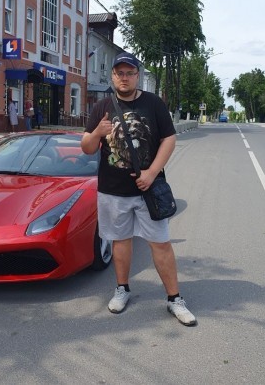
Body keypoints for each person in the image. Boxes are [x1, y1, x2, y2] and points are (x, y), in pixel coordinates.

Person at [81, 52, 196, 326]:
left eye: (129, 73)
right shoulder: (102, 106)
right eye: (119, 73)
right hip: (112, 190)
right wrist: (97, 132)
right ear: (113, 76)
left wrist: (151, 173)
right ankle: (122, 289)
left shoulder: (153, 103)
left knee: (161, 242)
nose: (124, 77)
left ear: (137, 76)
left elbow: (169, 139)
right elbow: (86, 148)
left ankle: (174, 299)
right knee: (120, 241)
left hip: (148, 191)